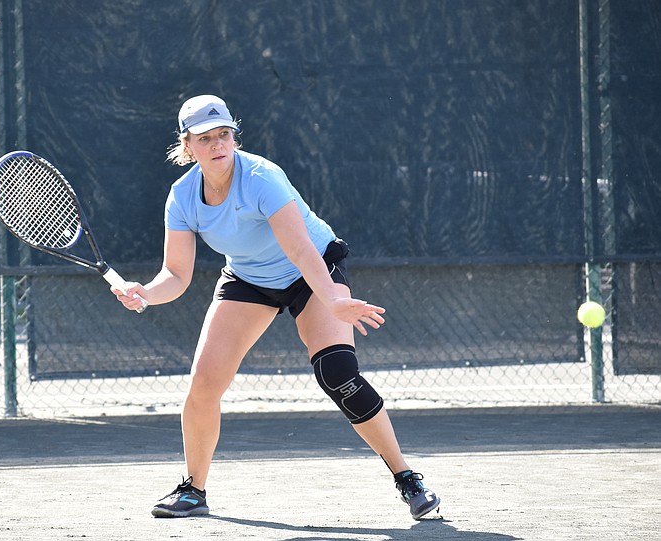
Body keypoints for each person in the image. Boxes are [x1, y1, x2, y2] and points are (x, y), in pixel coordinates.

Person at [112, 94, 440, 520]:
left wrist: (335, 299)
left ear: (234, 135)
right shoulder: (182, 197)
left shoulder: (263, 177)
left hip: (310, 271)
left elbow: (302, 251)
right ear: (187, 145)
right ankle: (194, 489)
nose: (218, 145)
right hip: (249, 279)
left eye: (225, 134)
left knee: (338, 374)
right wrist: (145, 294)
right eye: (205, 138)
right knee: (204, 385)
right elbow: (175, 275)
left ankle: (406, 477)